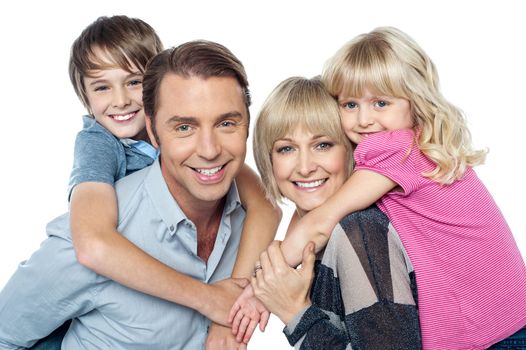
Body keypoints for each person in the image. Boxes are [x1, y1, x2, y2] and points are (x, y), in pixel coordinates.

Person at [0, 39, 267, 349]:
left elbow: (271, 205)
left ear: (247, 126)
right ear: (153, 132)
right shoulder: (89, 235)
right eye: (184, 127)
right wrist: (208, 300)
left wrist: (228, 317)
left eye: (226, 123)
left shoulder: (252, 217)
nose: (209, 150)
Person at [276, 27, 526, 348]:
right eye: (349, 104)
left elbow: (322, 219)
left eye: (381, 103)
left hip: (500, 339)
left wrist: (258, 287)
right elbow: (308, 217)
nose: (364, 119)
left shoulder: (397, 148)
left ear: (415, 102)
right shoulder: (417, 148)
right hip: (508, 323)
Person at [233, 77, 421, 348]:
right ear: (268, 160)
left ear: (351, 150)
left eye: (322, 145)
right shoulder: (319, 234)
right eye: (286, 149)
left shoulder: (360, 231)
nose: (305, 167)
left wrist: (295, 311)